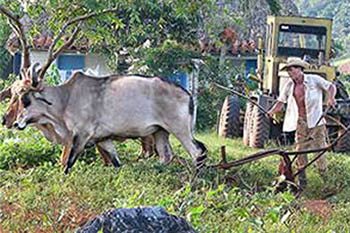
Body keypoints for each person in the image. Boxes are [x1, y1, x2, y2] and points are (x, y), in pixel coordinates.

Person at [267, 57, 336, 189]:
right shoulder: (289, 85)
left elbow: (331, 86)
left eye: (291, 70)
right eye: (288, 70)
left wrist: (331, 98)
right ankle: (302, 184)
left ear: (299, 69)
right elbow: (280, 102)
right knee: (300, 152)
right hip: (301, 122)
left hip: (317, 122)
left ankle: (327, 182)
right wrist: (271, 111)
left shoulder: (314, 80)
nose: (290, 73)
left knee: (319, 151)